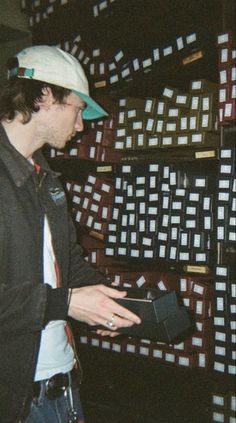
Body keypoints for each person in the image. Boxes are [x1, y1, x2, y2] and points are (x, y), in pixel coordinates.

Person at [0, 45, 141, 423]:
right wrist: (65, 304)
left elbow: (67, 263)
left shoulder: (47, 180)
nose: (81, 126)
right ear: (44, 96)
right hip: (15, 401)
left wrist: (110, 305)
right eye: (78, 110)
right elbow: (57, 298)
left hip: (63, 386)